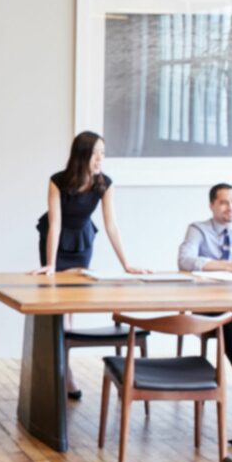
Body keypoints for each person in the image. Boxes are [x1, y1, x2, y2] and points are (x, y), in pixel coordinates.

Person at [33, 131, 148, 399]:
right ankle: (65, 374)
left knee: (71, 306)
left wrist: (127, 264)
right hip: (56, 242)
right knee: (58, 309)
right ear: (81, 155)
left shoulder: (104, 184)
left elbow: (111, 225)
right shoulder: (58, 181)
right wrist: (50, 264)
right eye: (95, 153)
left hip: (82, 242)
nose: (100, 159)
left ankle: (64, 369)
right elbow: (56, 223)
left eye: (103, 154)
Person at [178, 182, 232, 447]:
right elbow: (185, 260)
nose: (231, 208)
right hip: (212, 305)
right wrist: (227, 265)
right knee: (225, 320)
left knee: (231, 316)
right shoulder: (199, 229)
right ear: (212, 205)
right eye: (224, 202)